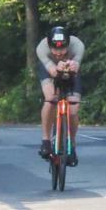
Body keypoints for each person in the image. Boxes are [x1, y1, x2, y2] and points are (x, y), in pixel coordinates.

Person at [37, 26, 84, 166]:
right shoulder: (42, 47)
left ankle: (72, 145)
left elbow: (76, 67)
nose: (58, 53)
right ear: (48, 44)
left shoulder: (78, 45)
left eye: (62, 49)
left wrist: (72, 66)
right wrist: (57, 69)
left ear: (68, 45)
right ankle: (46, 141)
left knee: (74, 107)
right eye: (55, 49)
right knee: (51, 98)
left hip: (71, 71)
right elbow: (51, 70)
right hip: (49, 69)